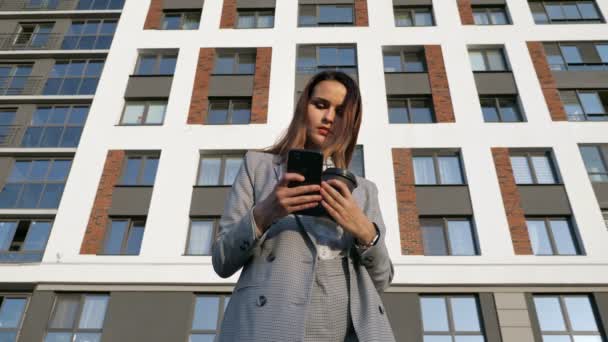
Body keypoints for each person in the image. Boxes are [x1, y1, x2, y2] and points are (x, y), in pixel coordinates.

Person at [212, 70, 396, 342]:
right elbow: (222, 261)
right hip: (271, 324)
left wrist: (366, 233)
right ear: (303, 108)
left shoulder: (364, 190)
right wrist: (265, 213)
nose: (329, 118)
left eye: (341, 111)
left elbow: (381, 280)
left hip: (349, 330)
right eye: (320, 105)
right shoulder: (258, 167)